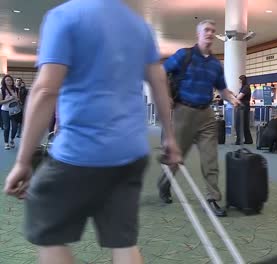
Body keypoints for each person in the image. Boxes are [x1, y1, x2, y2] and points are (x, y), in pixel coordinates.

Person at [3, 1, 181, 264]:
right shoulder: (139, 26)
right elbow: (159, 84)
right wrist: (170, 138)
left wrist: (22, 161)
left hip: (80, 154)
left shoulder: (63, 16)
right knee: (123, 242)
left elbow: (45, 90)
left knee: (45, 221)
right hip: (131, 153)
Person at [159, 19, 240, 217]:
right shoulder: (184, 55)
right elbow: (161, 72)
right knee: (176, 158)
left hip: (206, 114)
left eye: (213, 30)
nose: (210, 33)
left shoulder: (215, 64)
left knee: (210, 158)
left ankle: (212, 198)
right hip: (184, 112)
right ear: (198, 34)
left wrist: (232, 99)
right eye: (206, 30)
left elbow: (221, 88)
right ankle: (164, 183)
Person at [1, 74, 20, 149]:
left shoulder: (16, 89)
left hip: (15, 110)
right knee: (7, 127)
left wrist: (18, 100)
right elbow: (0, 102)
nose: (9, 81)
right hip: (5, 111)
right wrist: (10, 99)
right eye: (7, 80)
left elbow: (18, 98)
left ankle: (12, 139)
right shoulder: (2, 89)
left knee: (15, 127)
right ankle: (6, 143)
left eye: (10, 80)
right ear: (4, 82)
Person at [235, 75, 253, 145]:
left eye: (240, 80)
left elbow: (239, 97)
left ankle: (239, 140)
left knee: (238, 124)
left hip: (242, 108)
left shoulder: (245, 88)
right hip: (245, 107)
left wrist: (235, 96)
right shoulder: (245, 87)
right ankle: (248, 140)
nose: (239, 82)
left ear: (242, 80)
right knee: (245, 124)